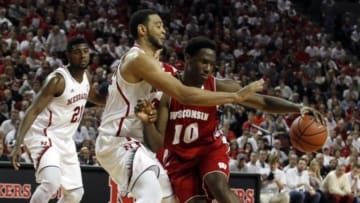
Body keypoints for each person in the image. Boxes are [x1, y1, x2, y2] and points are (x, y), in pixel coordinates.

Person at [95, 9, 264, 203]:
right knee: (150, 195)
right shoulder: (137, 59)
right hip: (118, 140)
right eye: (158, 26)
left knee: (170, 199)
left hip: (137, 143)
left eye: (164, 26)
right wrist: (235, 96)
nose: (164, 30)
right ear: (142, 30)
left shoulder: (158, 67)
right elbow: (184, 94)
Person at [135, 36, 324, 203]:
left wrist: (297, 107)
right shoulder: (168, 90)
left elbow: (263, 102)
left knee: (218, 185)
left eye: (211, 64)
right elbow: (156, 145)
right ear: (187, 59)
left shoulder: (218, 86)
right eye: (203, 62)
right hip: (179, 158)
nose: (208, 68)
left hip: (209, 149)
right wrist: (147, 122)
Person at [10, 36, 105, 203]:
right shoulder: (58, 80)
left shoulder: (86, 77)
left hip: (65, 140)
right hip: (43, 134)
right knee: (51, 184)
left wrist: (119, 100)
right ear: (68, 55)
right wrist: (18, 143)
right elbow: (33, 110)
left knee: (75, 194)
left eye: (85, 51)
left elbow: (94, 97)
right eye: (77, 52)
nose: (82, 55)